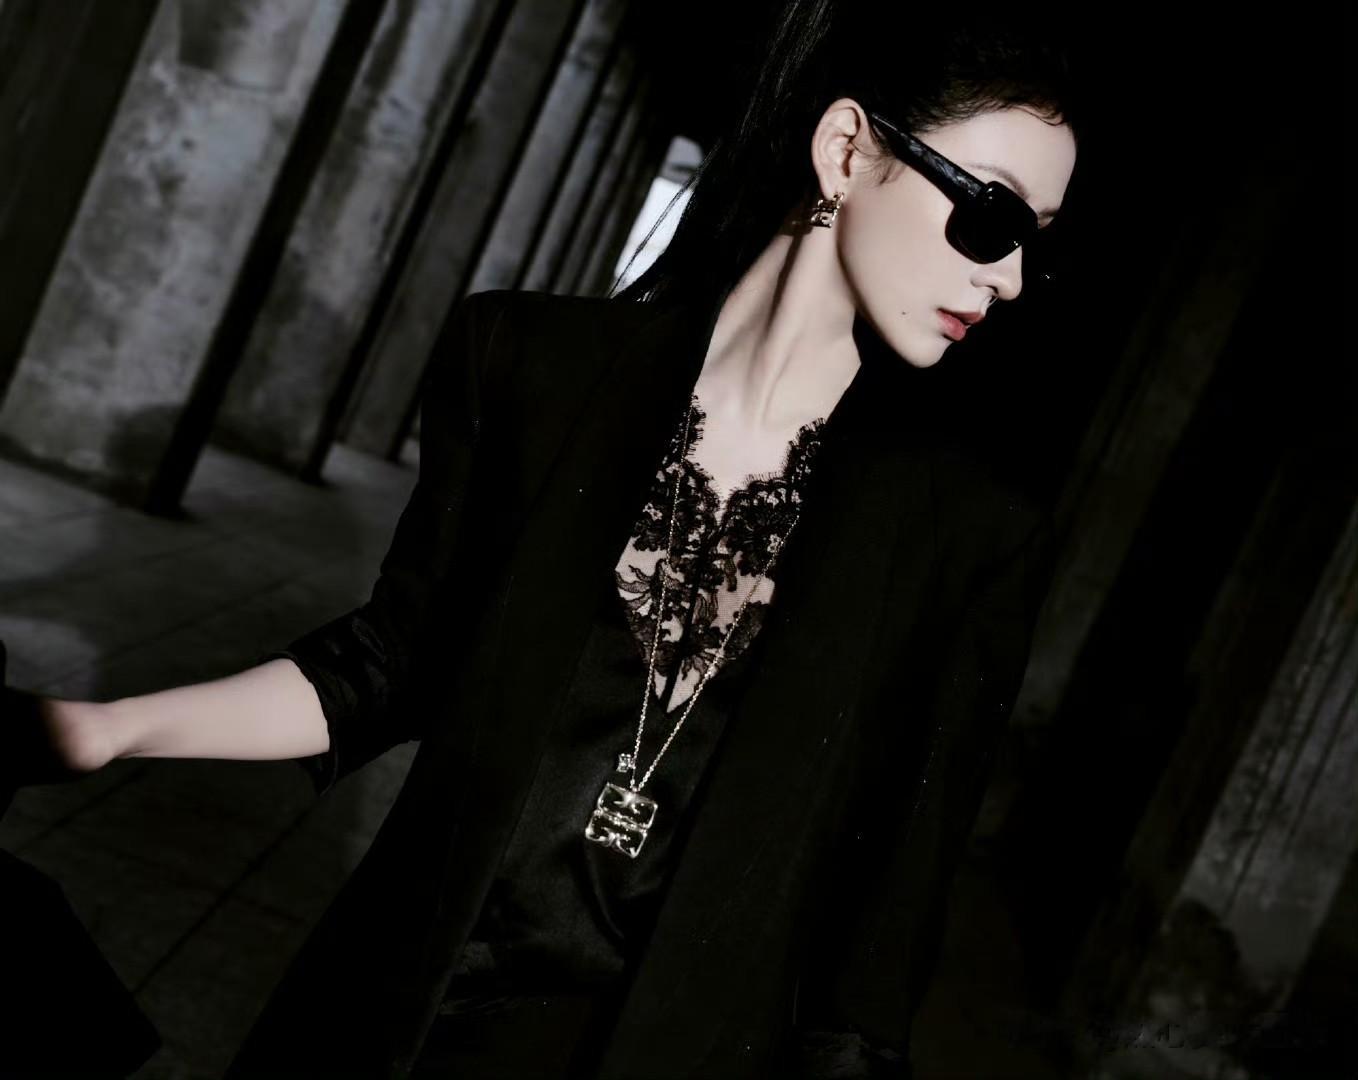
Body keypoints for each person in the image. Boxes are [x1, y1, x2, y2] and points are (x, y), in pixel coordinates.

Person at [1, 2, 1081, 1075]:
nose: (1009, 277)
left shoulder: (967, 539)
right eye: (990, 217)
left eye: (1035, 242)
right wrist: (105, 730)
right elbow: (387, 666)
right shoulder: (529, 366)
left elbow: (874, 960)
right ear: (846, 150)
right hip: (388, 1026)